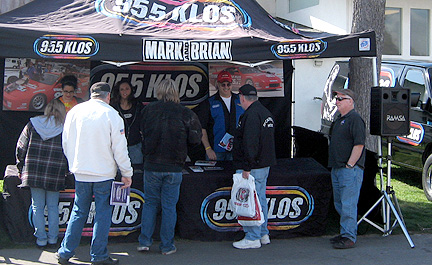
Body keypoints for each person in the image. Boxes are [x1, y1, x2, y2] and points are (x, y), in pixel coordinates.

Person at [57, 82, 133, 265]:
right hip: (103, 173)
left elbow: (66, 142)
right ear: (108, 96)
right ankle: (98, 255)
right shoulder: (112, 115)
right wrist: (126, 172)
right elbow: (120, 148)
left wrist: (73, 164)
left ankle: (65, 252)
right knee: (102, 213)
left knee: (78, 211)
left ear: (91, 95)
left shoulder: (74, 112)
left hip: (80, 171)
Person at [137, 79, 202, 255]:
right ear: (176, 92)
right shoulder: (184, 112)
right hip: (174, 167)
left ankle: (144, 242)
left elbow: (140, 133)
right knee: (168, 207)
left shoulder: (147, 110)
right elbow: (196, 139)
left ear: (158, 91)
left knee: (150, 203)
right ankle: (167, 246)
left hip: (151, 165)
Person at [16, 99, 68, 249]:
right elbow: (70, 151)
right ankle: (53, 239)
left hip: (34, 171)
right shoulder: (65, 128)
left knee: (37, 206)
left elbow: (21, 147)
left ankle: (40, 239)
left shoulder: (33, 123)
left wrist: (21, 167)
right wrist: (67, 171)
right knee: (52, 206)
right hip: (55, 171)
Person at [232, 84, 276, 249]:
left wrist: (247, 167)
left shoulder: (250, 115)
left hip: (253, 166)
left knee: (249, 201)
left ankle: (252, 237)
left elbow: (250, 143)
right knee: (260, 200)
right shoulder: (265, 113)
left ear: (242, 98)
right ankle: (263, 233)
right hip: (264, 165)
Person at [328, 88, 365, 249]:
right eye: (336, 98)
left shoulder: (355, 119)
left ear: (350, 101)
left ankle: (349, 236)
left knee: (348, 203)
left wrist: (350, 164)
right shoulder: (338, 119)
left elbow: (359, 144)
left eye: (340, 99)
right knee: (340, 203)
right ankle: (345, 232)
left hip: (349, 169)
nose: (337, 101)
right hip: (337, 167)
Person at [195, 70, 244, 161]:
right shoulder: (209, 102)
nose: (226, 87)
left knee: (236, 175)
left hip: (237, 150)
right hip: (216, 151)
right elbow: (202, 128)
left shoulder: (240, 100)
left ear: (231, 84)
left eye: (228, 84)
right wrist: (208, 149)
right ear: (218, 84)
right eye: (223, 84)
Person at [110, 80, 144, 165]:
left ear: (131, 90)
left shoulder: (137, 104)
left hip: (135, 144)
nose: (124, 91)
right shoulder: (114, 105)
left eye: (127, 89)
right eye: (122, 89)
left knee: (136, 171)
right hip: (118, 145)